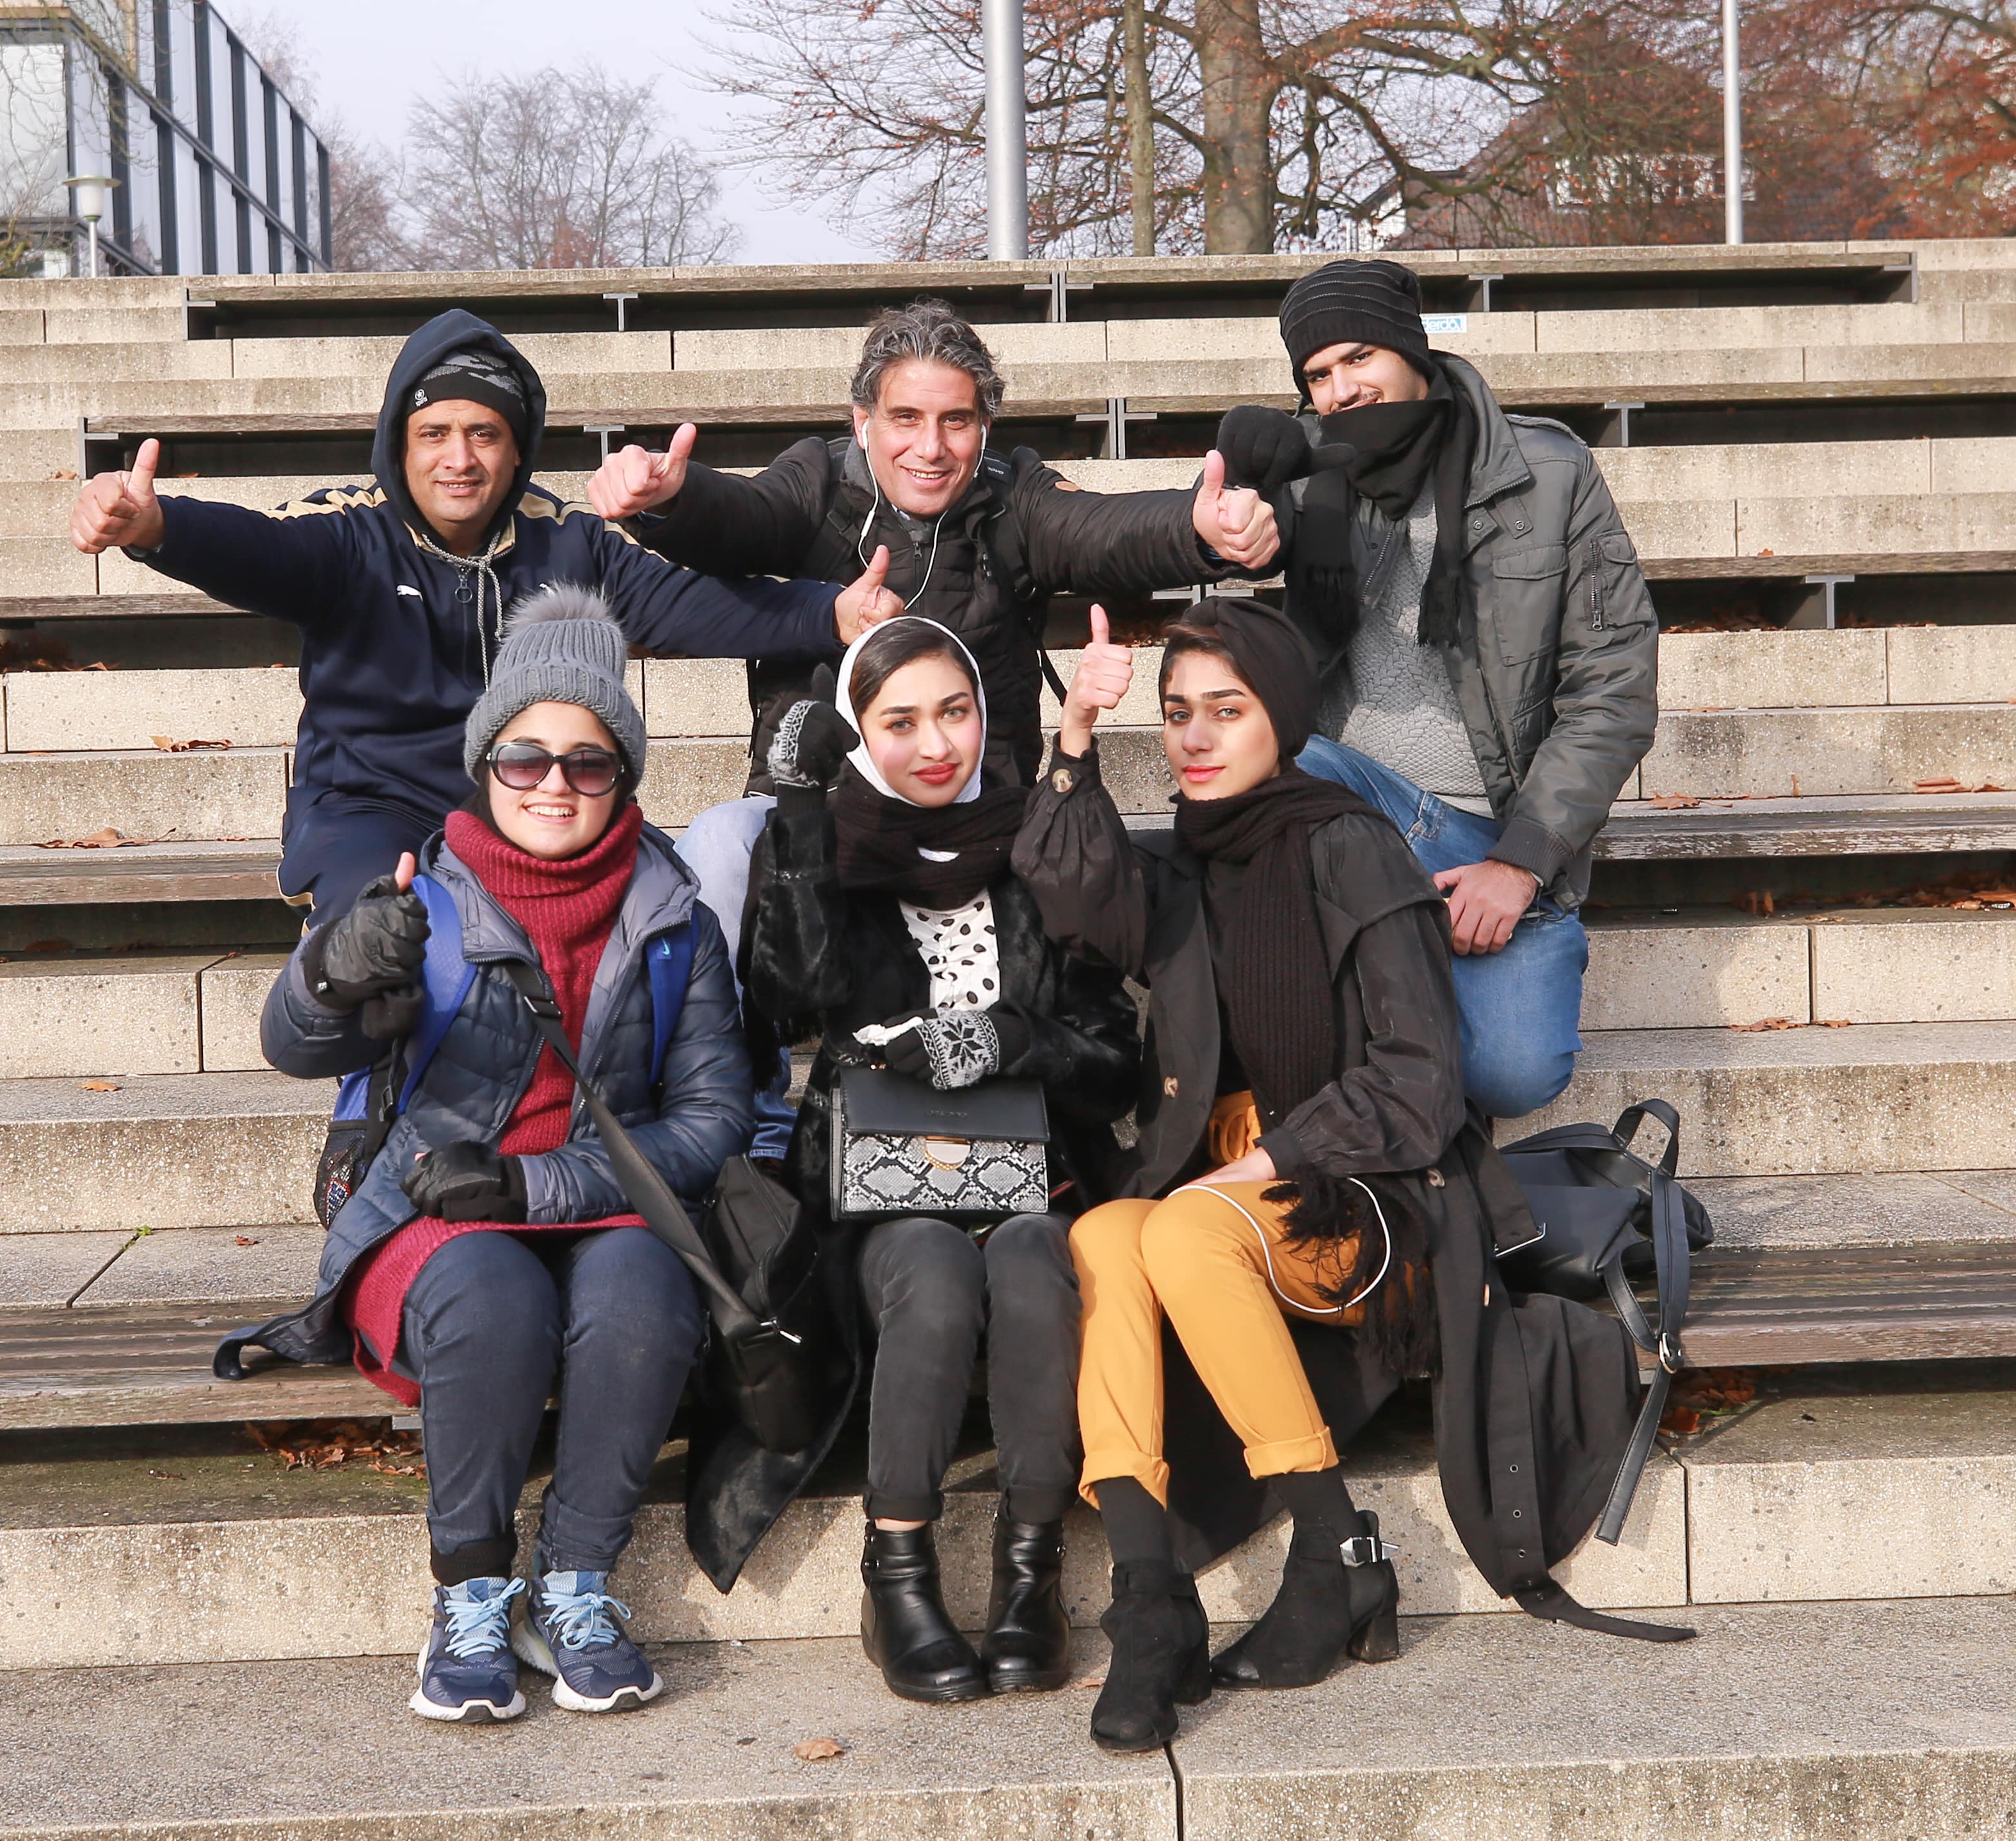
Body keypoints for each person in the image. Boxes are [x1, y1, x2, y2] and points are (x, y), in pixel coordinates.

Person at [223, 584, 753, 1725]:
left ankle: (574, 1586)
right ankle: (468, 1594)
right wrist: (332, 973)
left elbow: (711, 1121)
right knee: (489, 1292)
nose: (553, 783)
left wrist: (530, 1180)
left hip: (599, 1203)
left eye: (587, 761)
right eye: (524, 757)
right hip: (432, 1211)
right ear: (485, 762)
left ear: (623, 774)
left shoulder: (677, 919)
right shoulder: (417, 897)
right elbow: (292, 1045)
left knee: (642, 1290)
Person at [1014, 597, 1466, 1752]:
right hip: (1220, 1192)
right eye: (1176, 714)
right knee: (1103, 1236)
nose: (1196, 737)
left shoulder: (1349, 844)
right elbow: (1071, 899)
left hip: (1349, 1195)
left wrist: (1259, 1164)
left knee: (1174, 1229)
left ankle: (1334, 1547)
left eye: (1227, 710)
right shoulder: (1182, 861)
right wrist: (1075, 736)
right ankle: (1148, 1599)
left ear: (1284, 717)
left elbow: (1420, 1078)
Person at [69, 308, 903, 927]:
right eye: (433, 433)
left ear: (517, 449)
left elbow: (689, 604)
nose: (458, 459)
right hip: (372, 808)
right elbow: (257, 550)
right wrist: (156, 526)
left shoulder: (566, 542)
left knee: (664, 911)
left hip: (540, 797)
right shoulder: (351, 536)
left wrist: (830, 611)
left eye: (484, 433)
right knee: (379, 933)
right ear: (399, 444)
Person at [692, 615, 1142, 1705]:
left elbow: (1113, 1064)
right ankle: (895, 1571)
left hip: (1031, 1180)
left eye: (954, 712)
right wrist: (799, 810)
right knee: (933, 1267)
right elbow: (785, 996)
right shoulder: (828, 846)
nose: (934, 744)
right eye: (898, 722)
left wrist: (1008, 1041)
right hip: (870, 1199)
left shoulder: (1034, 847)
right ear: (857, 734)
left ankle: (1029, 1575)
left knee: (1031, 1259)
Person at [591, 294, 1281, 944]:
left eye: (955, 420)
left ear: (984, 427)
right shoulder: (815, 482)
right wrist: (673, 497)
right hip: (820, 809)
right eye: (906, 418)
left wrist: (1197, 527)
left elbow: (1101, 529)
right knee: (718, 840)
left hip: (979, 813)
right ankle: (724, 1040)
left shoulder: (1016, 498)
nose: (930, 448)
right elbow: (744, 515)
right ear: (863, 422)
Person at [1214, 257, 1661, 1120]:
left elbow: (1613, 686)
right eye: (1317, 375)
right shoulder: (1304, 474)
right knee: (1265, 756)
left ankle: (1394, 976)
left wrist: (1520, 863)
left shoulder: (1547, 472)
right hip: (1352, 806)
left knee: (1514, 1075)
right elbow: (1225, 546)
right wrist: (1232, 507)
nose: (1341, 389)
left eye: (1358, 358)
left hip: (1491, 831)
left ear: (1410, 349)